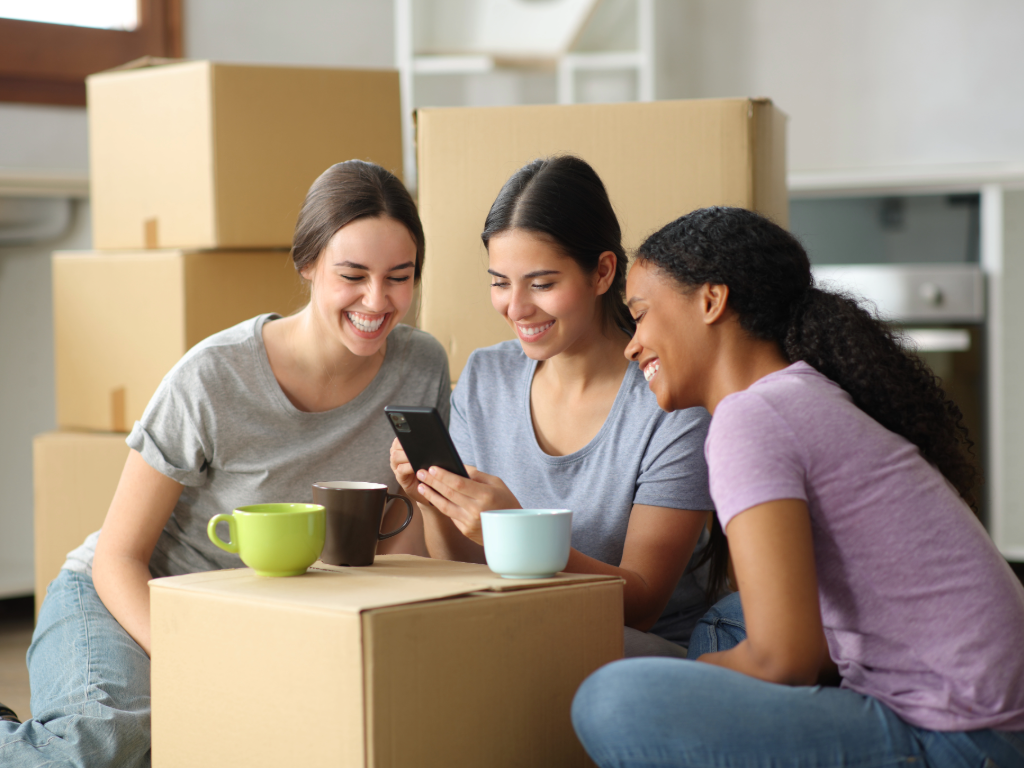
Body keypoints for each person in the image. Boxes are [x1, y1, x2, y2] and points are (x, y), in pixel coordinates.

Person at [0, 160, 451, 768]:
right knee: (103, 743)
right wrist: (196, 661)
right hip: (131, 596)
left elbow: (402, 544)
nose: (378, 300)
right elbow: (117, 556)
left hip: (270, 617)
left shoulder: (420, 365)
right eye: (353, 275)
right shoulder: (213, 375)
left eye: (400, 277)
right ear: (308, 265)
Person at [570, 206, 1024, 768]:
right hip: (993, 716)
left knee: (610, 700)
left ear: (711, 301)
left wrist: (690, 682)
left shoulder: (750, 420)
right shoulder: (800, 394)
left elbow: (786, 659)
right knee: (728, 618)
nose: (631, 345)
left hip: (961, 734)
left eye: (639, 317)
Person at [391, 155, 723, 658]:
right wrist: (434, 500)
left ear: (602, 272)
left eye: (542, 284)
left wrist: (517, 533)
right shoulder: (486, 377)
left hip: (637, 652)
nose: (517, 308)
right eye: (500, 282)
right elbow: (467, 571)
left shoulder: (670, 401)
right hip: (510, 632)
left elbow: (643, 603)